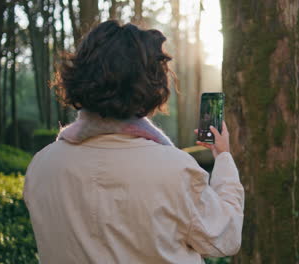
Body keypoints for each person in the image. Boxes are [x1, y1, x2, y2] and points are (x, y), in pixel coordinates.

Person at [23, 20, 244, 264]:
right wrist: (223, 158)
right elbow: (225, 236)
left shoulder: (42, 165)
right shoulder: (174, 169)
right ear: (151, 85)